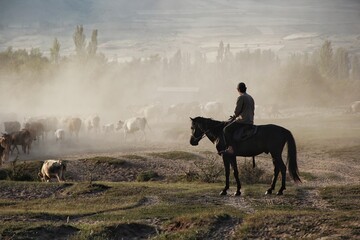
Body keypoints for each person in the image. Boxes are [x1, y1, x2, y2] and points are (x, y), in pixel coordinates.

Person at [221, 82, 255, 155]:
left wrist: (233, 117)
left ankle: (230, 148)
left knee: (226, 130)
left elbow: (237, 111)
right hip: (250, 121)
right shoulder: (250, 97)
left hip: (243, 121)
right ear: (245, 89)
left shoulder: (241, 97)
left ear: (238, 89)